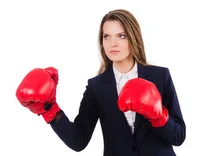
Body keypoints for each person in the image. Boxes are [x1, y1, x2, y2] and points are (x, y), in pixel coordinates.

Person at [15, 9, 186, 156]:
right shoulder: (96, 87)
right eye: (106, 36)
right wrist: (50, 110)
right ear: (101, 41)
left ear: (133, 37)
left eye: (121, 35)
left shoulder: (160, 76)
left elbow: (179, 137)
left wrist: (159, 117)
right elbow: (78, 140)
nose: (113, 43)